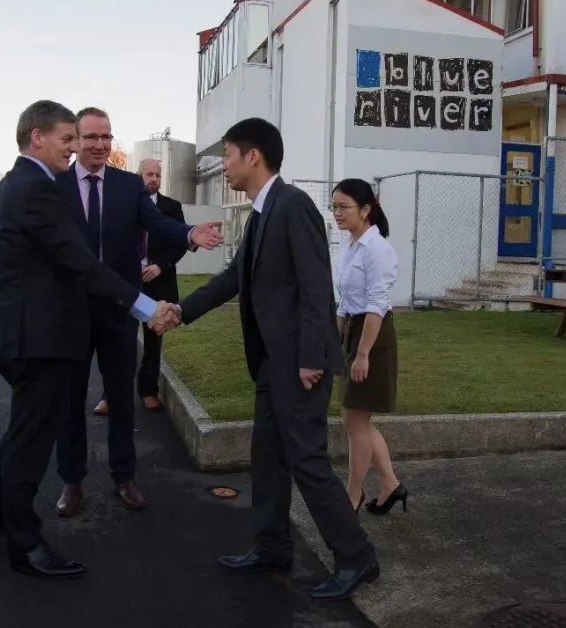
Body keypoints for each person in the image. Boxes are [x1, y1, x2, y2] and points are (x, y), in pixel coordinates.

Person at [160, 118, 379, 602]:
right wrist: (182, 310)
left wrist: (310, 358)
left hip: (300, 363)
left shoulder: (293, 205)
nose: (225, 166)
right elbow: (234, 278)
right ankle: (273, 546)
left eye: (230, 156)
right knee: (269, 458)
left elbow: (316, 286)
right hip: (271, 364)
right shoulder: (262, 212)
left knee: (307, 461)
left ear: (253, 156)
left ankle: (356, 555)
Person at [0, 100, 175, 579]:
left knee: (23, 429)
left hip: (22, 336)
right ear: (37, 137)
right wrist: (145, 306)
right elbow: (78, 261)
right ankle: (24, 543)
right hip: (38, 339)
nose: (75, 147)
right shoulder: (38, 189)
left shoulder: (17, 183)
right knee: (31, 443)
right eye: (67, 138)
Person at [53, 107, 221, 518]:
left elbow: (158, 223)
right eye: (91, 137)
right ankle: (71, 482)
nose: (99, 144)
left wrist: (188, 234)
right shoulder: (54, 185)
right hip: (71, 312)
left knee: (122, 400)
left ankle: (124, 476)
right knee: (70, 400)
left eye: (106, 137)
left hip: (119, 309)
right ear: (75, 140)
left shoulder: (129, 187)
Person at [330, 179, 407, 515]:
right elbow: (344, 302)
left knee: (355, 422)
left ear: (366, 209)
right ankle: (390, 484)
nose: (337, 213)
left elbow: (376, 305)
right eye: (334, 206)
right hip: (353, 334)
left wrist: (362, 354)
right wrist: (337, 343)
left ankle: (354, 494)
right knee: (354, 419)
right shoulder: (351, 244)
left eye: (344, 206)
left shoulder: (378, 249)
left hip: (372, 339)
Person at [135, 158, 187, 412]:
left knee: (153, 340)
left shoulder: (172, 207)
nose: (153, 179)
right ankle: (110, 394)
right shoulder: (126, 204)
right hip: (128, 281)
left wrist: (160, 266)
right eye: (148, 174)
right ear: (139, 175)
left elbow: (179, 242)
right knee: (117, 339)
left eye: (157, 174)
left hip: (158, 281)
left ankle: (148, 390)